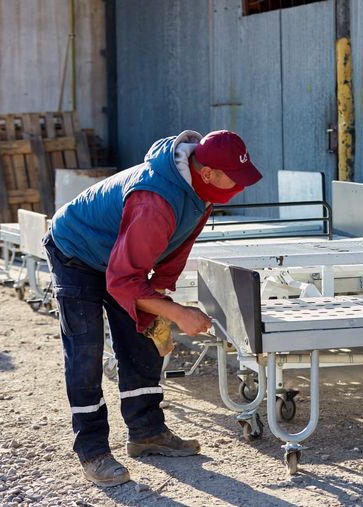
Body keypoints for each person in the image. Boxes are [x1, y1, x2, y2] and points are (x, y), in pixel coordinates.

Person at [43, 130, 262, 487]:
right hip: (76, 251)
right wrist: (178, 313)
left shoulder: (203, 193)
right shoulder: (155, 200)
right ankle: (93, 450)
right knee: (85, 351)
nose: (241, 186)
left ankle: (147, 433)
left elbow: (177, 248)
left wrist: (157, 300)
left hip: (119, 261)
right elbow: (122, 282)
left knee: (141, 338)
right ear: (207, 172)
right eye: (234, 178)